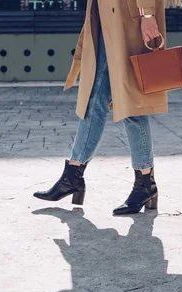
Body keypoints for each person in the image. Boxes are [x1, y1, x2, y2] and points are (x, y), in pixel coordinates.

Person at [33, 0, 168, 215]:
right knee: (102, 99)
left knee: (128, 102)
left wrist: (147, 13)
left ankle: (78, 176)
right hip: (107, 16)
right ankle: (140, 183)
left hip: (126, 17)